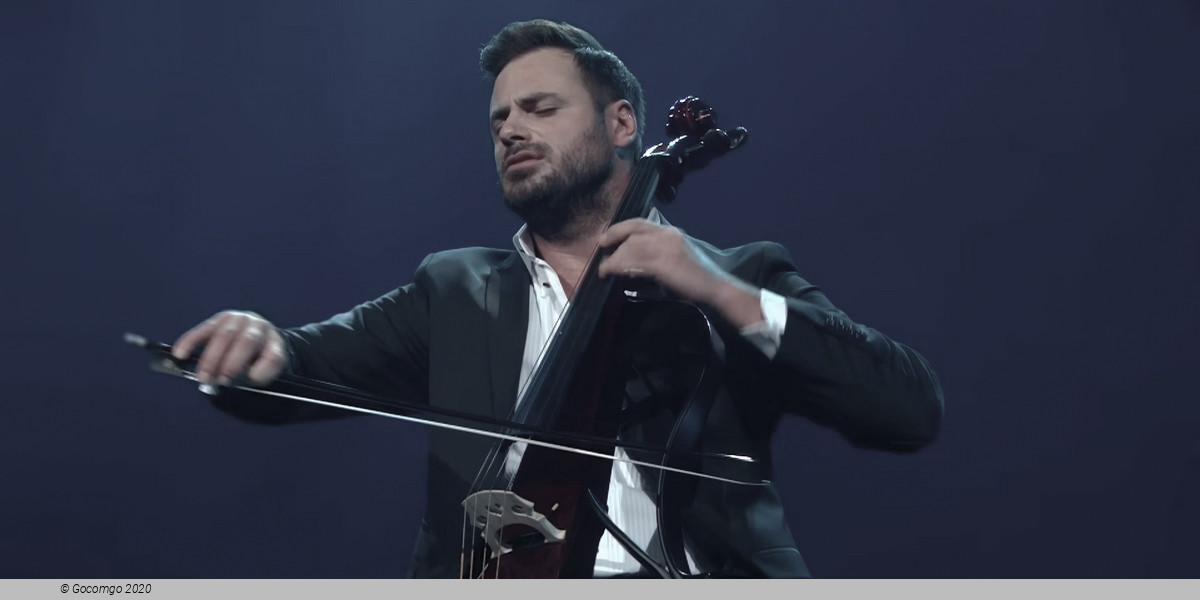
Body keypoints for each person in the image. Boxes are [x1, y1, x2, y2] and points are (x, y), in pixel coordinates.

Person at [171, 19, 944, 578]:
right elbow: (301, 367)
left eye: (540, 109)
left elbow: (906, 409)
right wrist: (259, 350)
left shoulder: (741, 273)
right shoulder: (454, 289)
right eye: (499, 120)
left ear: (622, 124)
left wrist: (719, 292)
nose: (511, 130)